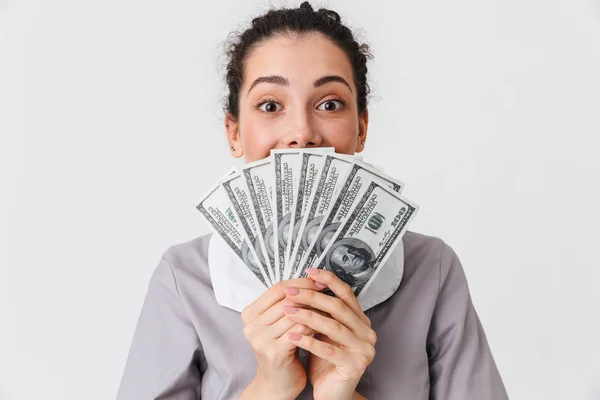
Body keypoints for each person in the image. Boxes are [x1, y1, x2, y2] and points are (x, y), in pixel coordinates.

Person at [116, 2, 509, 399]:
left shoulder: (432, 270)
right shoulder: (185, 277)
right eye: (270, 105)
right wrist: (270, 386)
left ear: (361, 127)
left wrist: (340, 394)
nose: (302, 132)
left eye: (329, 104)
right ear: (233, 132)